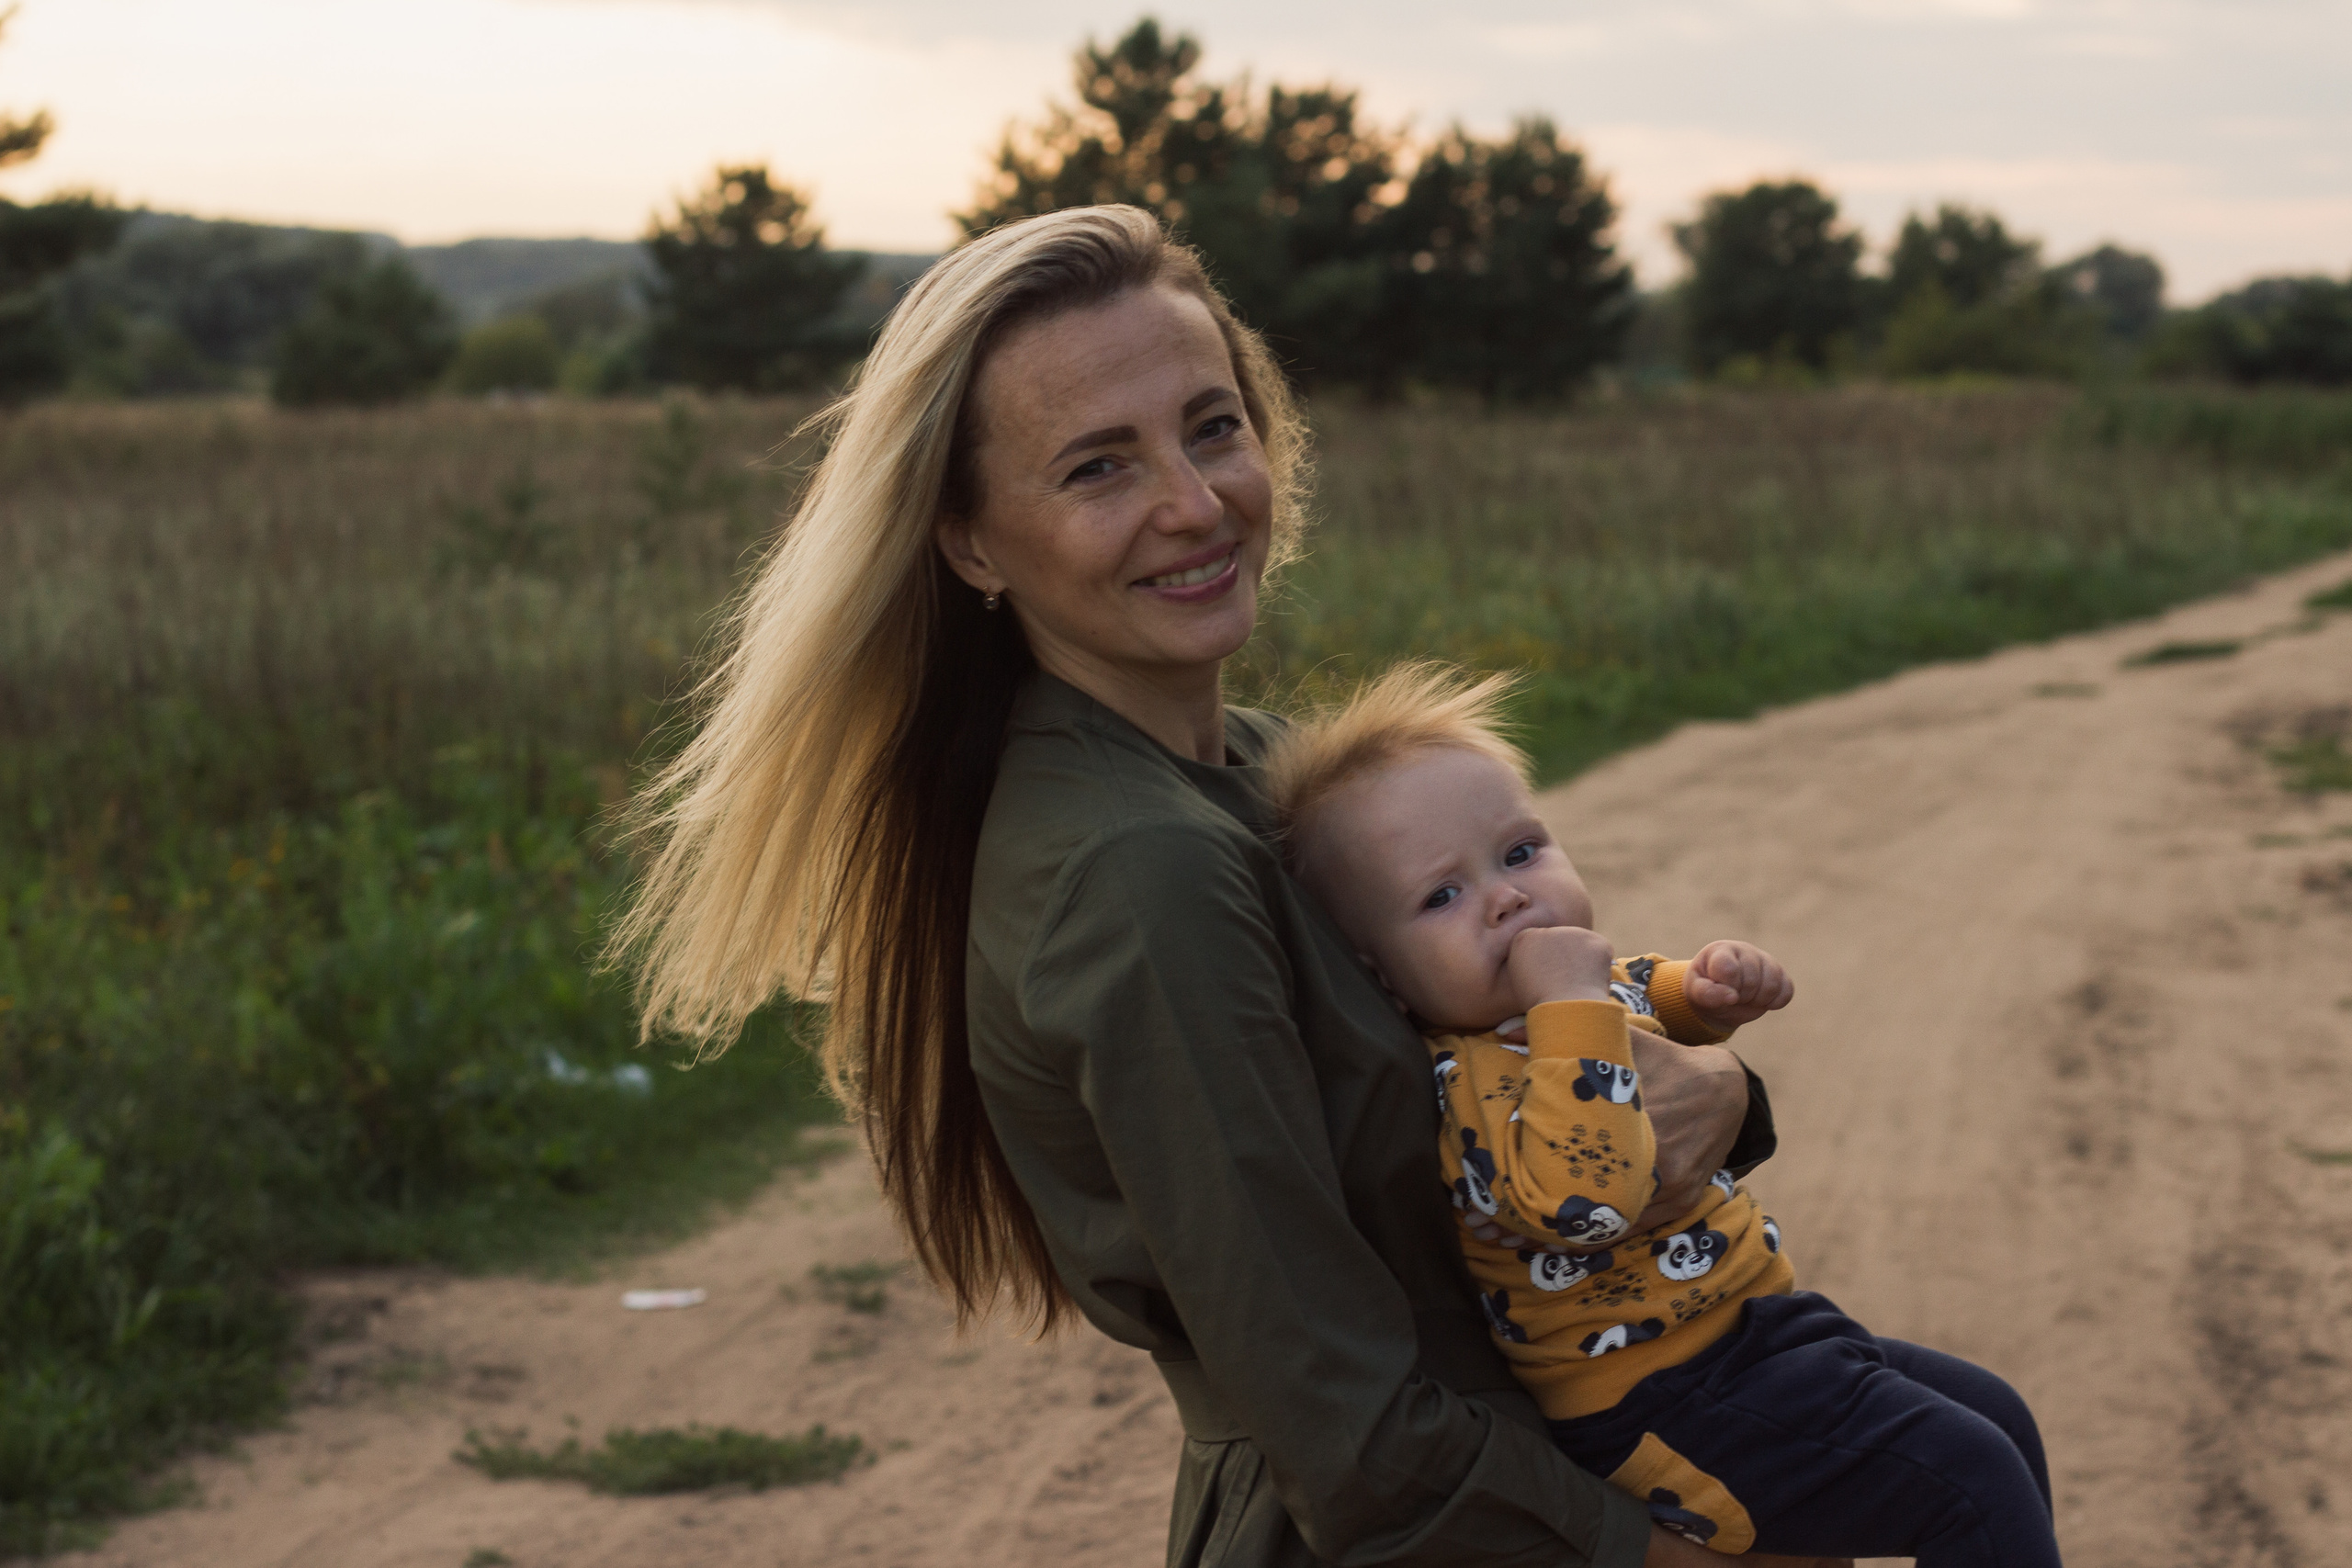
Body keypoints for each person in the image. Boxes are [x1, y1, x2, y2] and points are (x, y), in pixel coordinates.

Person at [611, 203, 1810, 1567]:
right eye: (1098, 467)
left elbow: (1493, 1084)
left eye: (1212, 427)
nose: (1193, 503)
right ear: (972, 543)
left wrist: (1718, 1092)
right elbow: (1344, 1423)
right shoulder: (1140, 869)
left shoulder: (1255, 773)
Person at [1261, 663, 2062, 1565]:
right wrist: (1569, 1003)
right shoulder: (1462, 1086)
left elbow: (1643, 988)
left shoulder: (1575, 995)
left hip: (1757, 1336)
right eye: (1441, 895)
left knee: (1998, 1416)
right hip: (1659, 1400)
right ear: (1377, 975)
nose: (1506, 896)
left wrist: (1707, 991)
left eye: (1520, 852)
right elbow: (1585, 1199)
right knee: (1968, 1478)